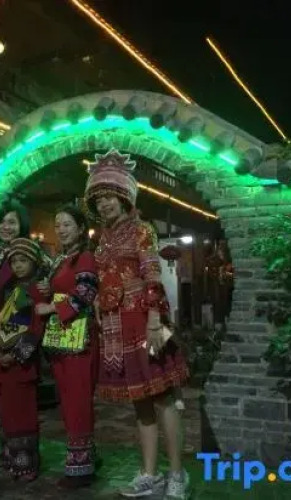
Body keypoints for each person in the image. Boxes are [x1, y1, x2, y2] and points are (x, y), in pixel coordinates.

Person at [84, 149, 190, 499]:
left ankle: (177, 474)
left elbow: (152, 277)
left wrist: (155, 323)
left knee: (162, 398)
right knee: (140, 402)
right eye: (98, 199)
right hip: (116, 326)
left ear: (124, 196)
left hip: (145, 322)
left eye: (109, 196)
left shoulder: (142, 230)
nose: (103, 204)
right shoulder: (102, 239)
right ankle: (149, 473)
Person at [34, 204, 99, 489]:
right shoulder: (62, 259)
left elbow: (86, 292)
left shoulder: (85, 257)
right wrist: (50, 290)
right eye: (58, 224)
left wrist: (51, 307)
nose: (61, 230)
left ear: (81, 228)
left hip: (79, 338)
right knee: (70, 399)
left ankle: (81, 468)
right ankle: (88, 457)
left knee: (77, 401)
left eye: (67, 224)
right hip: (63, 338)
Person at [0, 237, 46, 481]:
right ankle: (9, 456)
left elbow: (37, 327)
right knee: (4, 411)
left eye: (23, 260)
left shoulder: (38, 290)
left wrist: (15, 354)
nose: (18, 266)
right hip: (0, 361)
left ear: (34, 262)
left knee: (22, 412)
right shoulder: (6, 289)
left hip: (21, 364)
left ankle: (26, 463)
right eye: (14, 262)